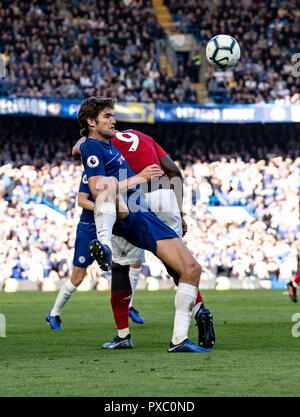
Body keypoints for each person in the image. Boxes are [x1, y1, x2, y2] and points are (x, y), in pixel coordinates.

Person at [77, 95, 211, 353]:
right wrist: (138, 178)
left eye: (112, 115)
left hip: (144, 213)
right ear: (91, 122)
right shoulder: (92, 146)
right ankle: (103, 244)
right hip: (127, 214)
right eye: (107, 116)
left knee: (192, 269)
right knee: (110, 198)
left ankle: (179, 340)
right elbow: (97, 189)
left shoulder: (109, 146)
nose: (113, 120)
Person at [45, 168, 152, 329]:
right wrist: (104, 208)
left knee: (133, 263)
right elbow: (81, 200)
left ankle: (128, 305)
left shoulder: (119, 169)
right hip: (89, 228)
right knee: (78, 276)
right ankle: (54, 313)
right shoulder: (91, 172)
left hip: (115, 226)